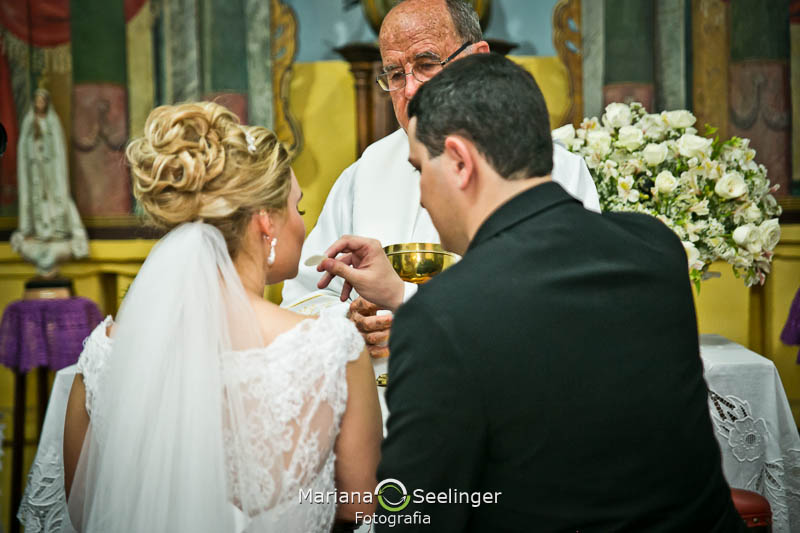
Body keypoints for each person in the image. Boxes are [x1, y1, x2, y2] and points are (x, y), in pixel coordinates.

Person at [316, 54, 746, 532]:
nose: (419, 194)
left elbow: (419, 514)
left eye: (421, 170)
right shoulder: (654, 249)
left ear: (460, 162)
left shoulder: (444, 316)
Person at [40, 102, 381, 532]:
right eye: (299, 208)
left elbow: (82, 512)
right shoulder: (332, 350)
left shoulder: (103, 355)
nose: (302, 224)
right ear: (265, 223)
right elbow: (358, 514)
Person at [281, 0, 600, 362]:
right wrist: (350, 323)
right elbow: (303, 299)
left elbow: (559, 308)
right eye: (396, 74)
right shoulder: (367, 170)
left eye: (427, 64)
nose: (410, 90)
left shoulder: (556, 169)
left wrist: (410, 311)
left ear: (478, 58)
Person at [11, 88, 88, 275]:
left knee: (53, 199)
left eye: (42, 101)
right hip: (34, 171)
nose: (39, 104)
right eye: (37, 101)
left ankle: (56, 230)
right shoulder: (30, 122)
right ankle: (38, 230)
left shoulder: (52, 122)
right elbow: (24, 148)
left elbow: (58, 150)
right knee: (37, 199)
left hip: (51, 171)